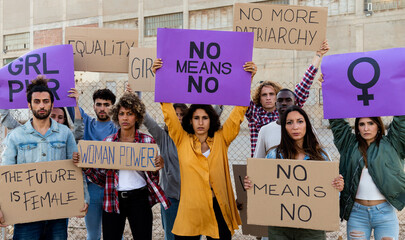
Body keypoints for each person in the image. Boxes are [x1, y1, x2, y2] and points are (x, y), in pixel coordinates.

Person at [156, 59, 256, 239]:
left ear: (211, 119)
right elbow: (168, 112)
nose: (200, 122)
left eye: (204, 118)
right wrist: (160, 77)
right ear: (190, 120)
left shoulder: (221, 138)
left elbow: (238, 112)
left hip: (218, 205)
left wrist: (247, 79)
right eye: (196, 118)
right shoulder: (181, 139)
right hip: (191, 209)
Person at [0, 76, 89, 239]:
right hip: (25, 215)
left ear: (52, 104)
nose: (42, 105)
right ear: (29, 105)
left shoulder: (65, 133)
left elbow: (76, 169)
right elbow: (5, 175)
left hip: (58, 214)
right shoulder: (16, 136)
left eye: (46, 101)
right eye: (37, 101)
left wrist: (83, 197)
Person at [75, 92, 170, 240]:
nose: (125, 118)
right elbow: (101, 178)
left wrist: (159, 164)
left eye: (130, 113)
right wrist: (85, 166)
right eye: (121, 114)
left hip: (139, 198)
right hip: (113, 197)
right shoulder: (109, 142)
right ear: (116, 116)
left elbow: (153, 176)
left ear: (137, 116)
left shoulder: (147, 141)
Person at [244, 106, 343, 240]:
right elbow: (263, 190)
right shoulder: (274, 155)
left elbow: (331, 195)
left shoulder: (321, 156)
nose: (295, 127)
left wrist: (337, 187)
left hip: (312, 227)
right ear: (284, 128)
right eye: (289, 122)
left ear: (307, 125)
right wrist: (252, 185)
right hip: (279, 227)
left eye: (300, 121)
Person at [245, 40, 329, 157]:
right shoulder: (255, 115)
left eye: (272, 94)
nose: (268, 98)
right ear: (259, 98)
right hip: (265, 169)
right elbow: (242, 95)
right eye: (264, 95)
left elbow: (306, 81)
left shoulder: (291, 111)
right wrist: (248, 75)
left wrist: (318, 55)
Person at [329, 115, 405, 239]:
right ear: (357, 127)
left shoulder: (393, 144)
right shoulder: (348, 144)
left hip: (385, 214)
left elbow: (402, 122)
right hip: (357, 214)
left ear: (378, 126)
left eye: (371, 123)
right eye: (361, 124)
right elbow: (337, 122)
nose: (366, 128)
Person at [67, 87, 118, 240]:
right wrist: (73, 98)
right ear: (94, 106)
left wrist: (136, 92)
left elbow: (134, 112)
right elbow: (72, 108)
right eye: (99, 104)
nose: (102, 108)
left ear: (113, 107)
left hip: (113, 187)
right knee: (93, 234)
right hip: (92, 187)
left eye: (107, 104)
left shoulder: (117, 126)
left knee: (116, 234)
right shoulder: (87, 123)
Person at [254, 88, 296, 158]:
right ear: (276, 104)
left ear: (294, 103)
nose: (284, 103)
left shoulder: (305, 128)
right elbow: (258, 160)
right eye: (280, 100)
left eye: (288, 100)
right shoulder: (265, 130)